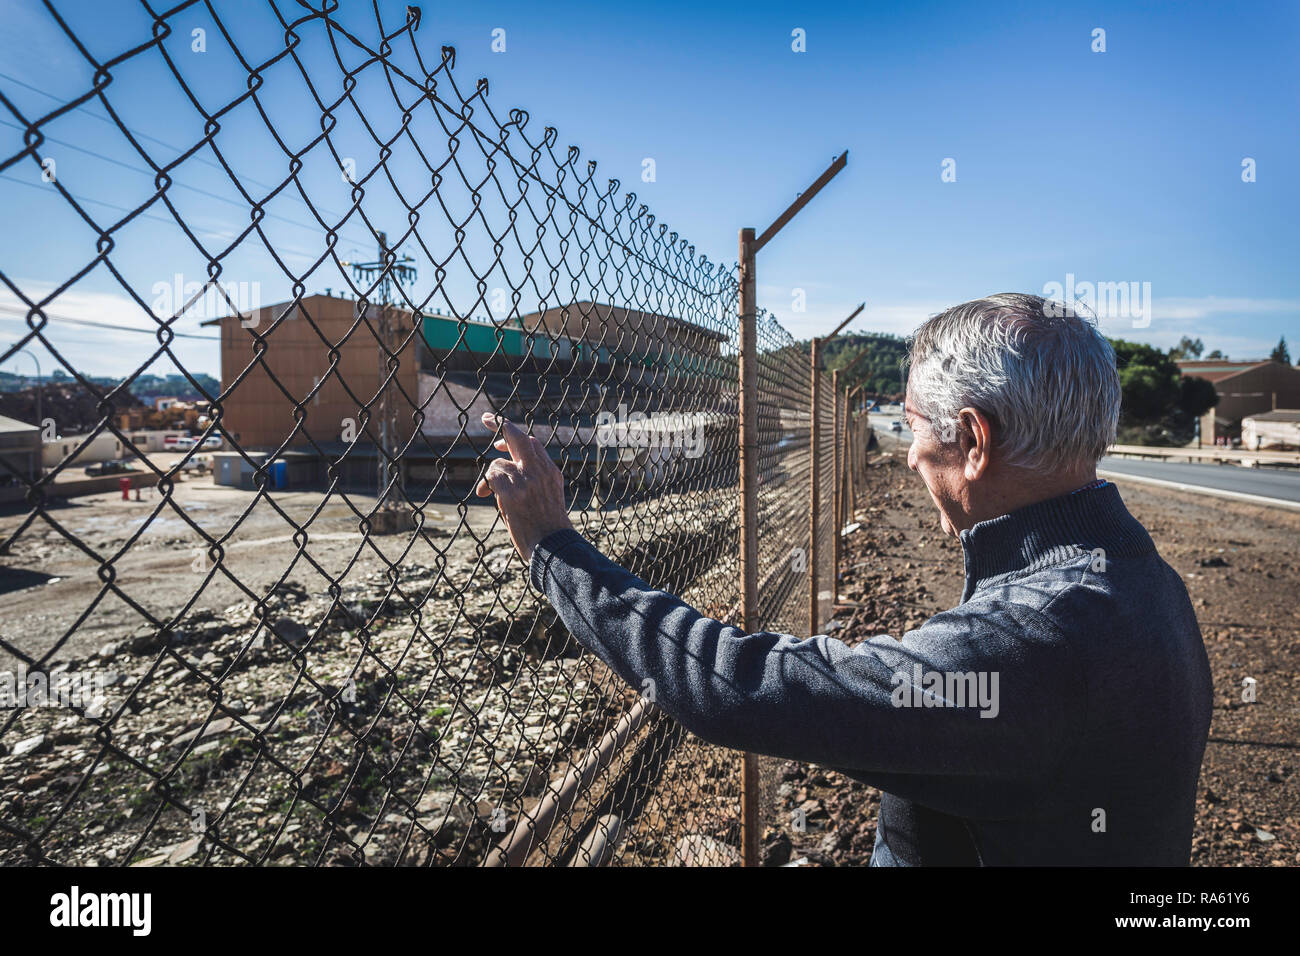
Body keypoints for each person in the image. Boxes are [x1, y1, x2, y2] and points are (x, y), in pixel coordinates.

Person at [475, 293, 1213, 866]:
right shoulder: (1147, 584)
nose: (910, 452)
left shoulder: (1027, 641)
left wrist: (554, 547)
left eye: (915, 424)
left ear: (975, 440)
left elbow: (737, 686)